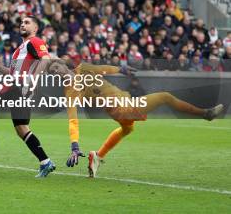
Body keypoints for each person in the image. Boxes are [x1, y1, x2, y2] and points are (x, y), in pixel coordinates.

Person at [47, 60, 224, 178]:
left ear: (63, 64)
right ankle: (205, 114)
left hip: (123, 103)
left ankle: (97, 156)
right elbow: (73, 119)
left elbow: (104, 69)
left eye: (55, 66)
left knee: (127, 129)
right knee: (165, 97)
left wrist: (120, 69)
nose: (54, 71)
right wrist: (75, 146)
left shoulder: (84, 68)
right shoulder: (70, 90)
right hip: (122, 107)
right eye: (51, 71)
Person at [0, 16, 56, 178]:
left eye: (27, 22)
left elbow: (46, 60)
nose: (22, 24)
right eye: (21, 22)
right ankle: (45, 161)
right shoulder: (19, 49)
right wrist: (0, 67)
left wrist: (33, 79)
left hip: (16, 85)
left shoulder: (35, 41)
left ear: (35, 28)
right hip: (18, 85)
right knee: (22, 129)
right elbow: (12, 72)